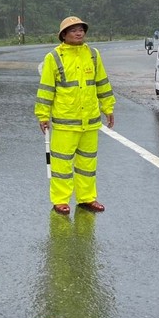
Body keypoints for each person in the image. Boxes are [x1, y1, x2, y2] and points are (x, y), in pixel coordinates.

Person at [35, 16, 115, 215]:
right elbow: (46, 90)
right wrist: (42, 115)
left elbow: (102, 84)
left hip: (90, 122)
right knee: (62, 164)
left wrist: (108, 107)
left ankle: (87, 198)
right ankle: (60, 200)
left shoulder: (93, 55)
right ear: (64, 35)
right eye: (73, 30)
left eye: (81, 30)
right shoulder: (54, 57)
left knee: (87, 164)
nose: (79, 33)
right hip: (65, 123)